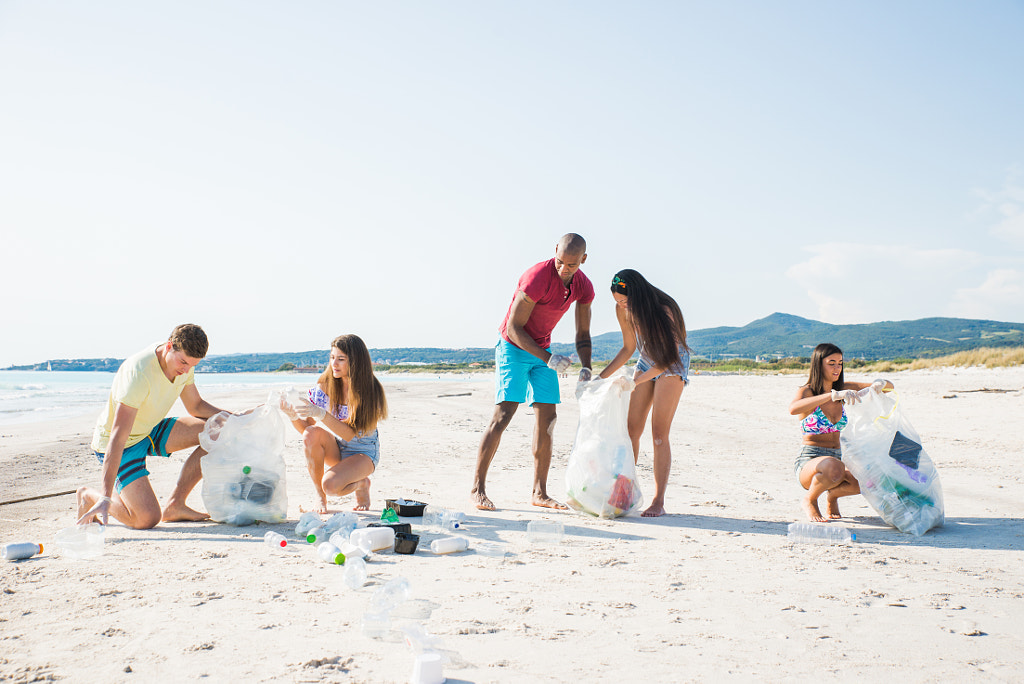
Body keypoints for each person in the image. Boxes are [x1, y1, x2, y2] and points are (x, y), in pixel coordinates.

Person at [471, 233, 594, 511]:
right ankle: (477, 489)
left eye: (571, 265)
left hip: (542, 351)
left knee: (548, 418)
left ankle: (540, 493)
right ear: (555, 252)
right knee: (504, 414)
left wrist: (586, 367)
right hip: (514, 347)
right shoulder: (537, 277)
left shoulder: (584, 287)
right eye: (560, 261)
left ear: (583, 260)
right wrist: (549, 358)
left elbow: (583, 332)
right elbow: (514, 329)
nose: (564, 269)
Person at [77, 324, 231, 529]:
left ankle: (175, 505)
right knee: (146, 519)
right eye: (183, 362)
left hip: (149, 430)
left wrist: (233, 417)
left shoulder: (184, 365)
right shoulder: (139, 373)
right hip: (120, 445)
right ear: (169, 346)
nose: (185, 370)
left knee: (218, 430)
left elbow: (195, 405)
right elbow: (118, 435)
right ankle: (89, 495)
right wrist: (105, 496)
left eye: (192, 366)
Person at [595, 269, 690, 518]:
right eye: (617, 302)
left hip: (672, 362)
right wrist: (600, 377)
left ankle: (658, 501)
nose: (622, 306)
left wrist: (634, 381)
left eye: (625, 301)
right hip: (647, 359)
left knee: (659, 434)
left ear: (637, 294)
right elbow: (628, 348)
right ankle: (623, 493)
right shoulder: (622, 309)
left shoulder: (664, 309)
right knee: (630, 430)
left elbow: (669, 357)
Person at [281, 334, 388, 514]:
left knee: (330, 486)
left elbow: (349, 434)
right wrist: (292, 416)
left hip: (364, 452)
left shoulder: (369, 389)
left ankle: (361, 482)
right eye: (332, 358)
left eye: (341, 359)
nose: (334, 364)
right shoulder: (326, 385)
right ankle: (319, 496)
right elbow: (306, 430)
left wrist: (321, 413)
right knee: (311, 433)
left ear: (355, 361)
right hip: (339, 448)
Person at [788, 342, 893, 522]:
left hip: (838, 459)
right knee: (833, 466)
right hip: (810, 462)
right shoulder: (807, 391)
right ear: (818, 364)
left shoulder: (845, 387)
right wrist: (831, 395)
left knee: (868, 480)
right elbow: (793, 409)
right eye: (831, 363)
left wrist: (878, 384)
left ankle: (832, 496)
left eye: (840, 363)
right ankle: (810, 499)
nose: (837, 368)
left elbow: (889, 386)